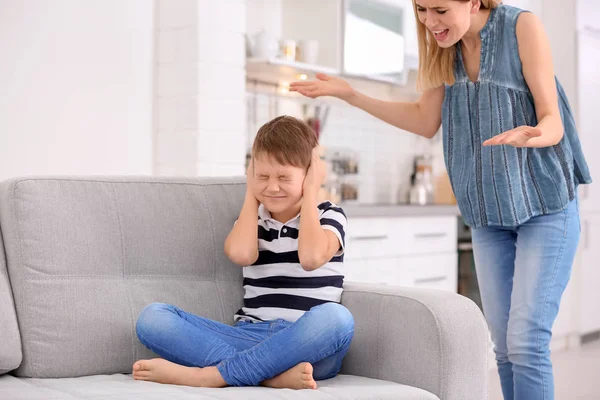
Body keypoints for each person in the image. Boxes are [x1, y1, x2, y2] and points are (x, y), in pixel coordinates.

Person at [290, 1, 591, 399]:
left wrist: (533, 135)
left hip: (545, 203)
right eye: (421, 9)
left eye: (440, 9)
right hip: (488, 213)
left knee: (527, 342)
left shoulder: (522, 27)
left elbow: (550, 116)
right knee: (502, 348)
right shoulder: (440, 46)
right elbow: (424, 119)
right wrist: (351, 95)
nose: (430, 21)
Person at [132, 115, 353, 390]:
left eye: (284, 177)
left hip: (306, 345)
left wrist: (311, 193)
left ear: (309, 174)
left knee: (337, 319)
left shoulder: (329, 216)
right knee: (152, 318)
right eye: (262, 176)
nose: (272, 187)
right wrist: (251, 193)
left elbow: (311, 258)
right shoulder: (252, 220)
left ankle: (211, 376)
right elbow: (241, 255)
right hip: (250, 336)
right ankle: (270, 377)